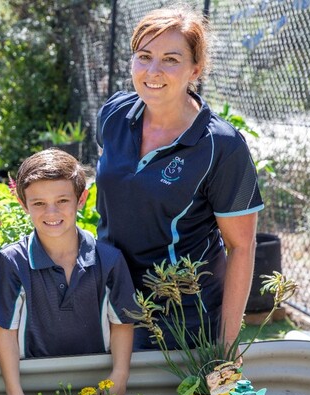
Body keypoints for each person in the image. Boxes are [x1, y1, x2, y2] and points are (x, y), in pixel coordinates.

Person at [95, 6, 263, 352]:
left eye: (171, 59)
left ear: (195, 69)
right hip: (109, 301)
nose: (153, 71)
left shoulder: (222, 145)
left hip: (178, 317)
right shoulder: (113, 114)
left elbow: (242, 247)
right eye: (144, 56)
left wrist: (226, 346)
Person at [0, 149, 137, 395]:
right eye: (39, 203)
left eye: (62, 201)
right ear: (23, 203)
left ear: (82, 200)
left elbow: (122, 323)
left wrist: (120, 373)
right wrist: (14, 391)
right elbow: (5, 330)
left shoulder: (109, 259)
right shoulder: (12, 261)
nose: (51, 212)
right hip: (34, 387)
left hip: (96, 387)